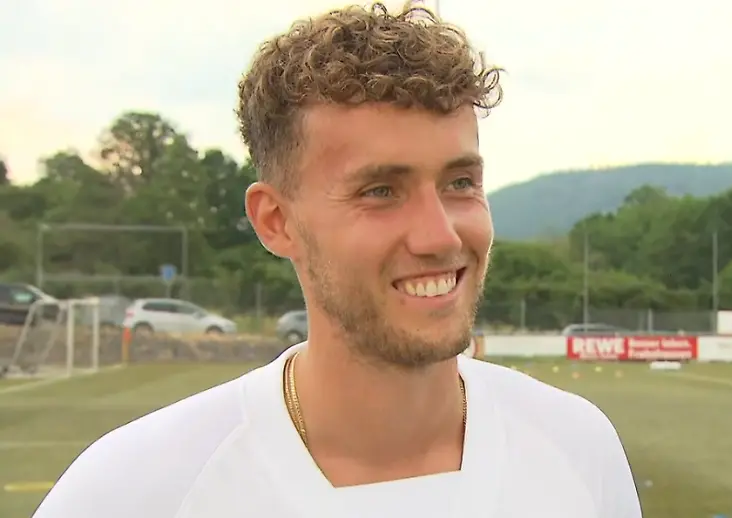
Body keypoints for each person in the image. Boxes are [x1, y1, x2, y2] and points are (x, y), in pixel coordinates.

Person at [32, 3, 642, 517]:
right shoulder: (132, 491)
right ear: (276, 221)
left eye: (460, 183)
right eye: (381, 191)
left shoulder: (578, 449)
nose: (439, 236)